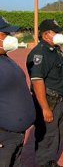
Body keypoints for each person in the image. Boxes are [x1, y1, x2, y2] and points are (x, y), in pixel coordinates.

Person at [26, 19, 63, 167]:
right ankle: (44, 163)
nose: (60, 35)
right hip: (50, 103)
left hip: (61, 102)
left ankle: (51, 162)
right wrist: (45, 108)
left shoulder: (56, 50)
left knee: (59, 135)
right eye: (56, 32)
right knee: (48, 138)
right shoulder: (40, 53)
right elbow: (37, 81)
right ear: (46, 35)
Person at [0, 16, 35, 167]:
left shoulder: (5, 57)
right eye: (5, 34)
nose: (9, 38)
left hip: (16, 136)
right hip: (4, 138)